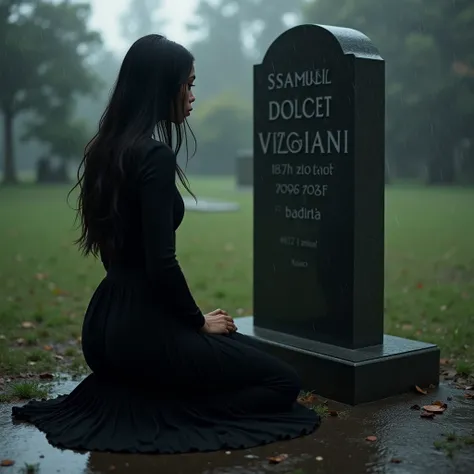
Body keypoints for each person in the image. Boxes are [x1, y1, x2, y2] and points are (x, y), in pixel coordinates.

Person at [11, 34, 320, 453]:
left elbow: (117, 253)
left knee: (235, 352)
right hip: (143, 334)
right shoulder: (153, 156)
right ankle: (168, 406)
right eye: (188, 84)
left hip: (103, 329)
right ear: (163, 87)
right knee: (283, 381)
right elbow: (161, 263)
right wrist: (196, 322)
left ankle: (153, 388)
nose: (192, 95)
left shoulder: (105, 149)